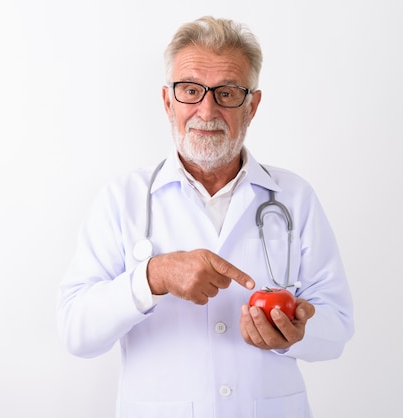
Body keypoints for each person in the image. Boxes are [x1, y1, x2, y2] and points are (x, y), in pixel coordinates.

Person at [56, 16, 354, 418]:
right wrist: (152, 277)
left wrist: (294, 335)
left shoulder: (294, 197)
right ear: (167, 101)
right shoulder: (122, 199)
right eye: (191, 91)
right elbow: (76, 331)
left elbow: (336, 325)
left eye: (227, 92)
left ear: (252, 105)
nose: (207, 109)